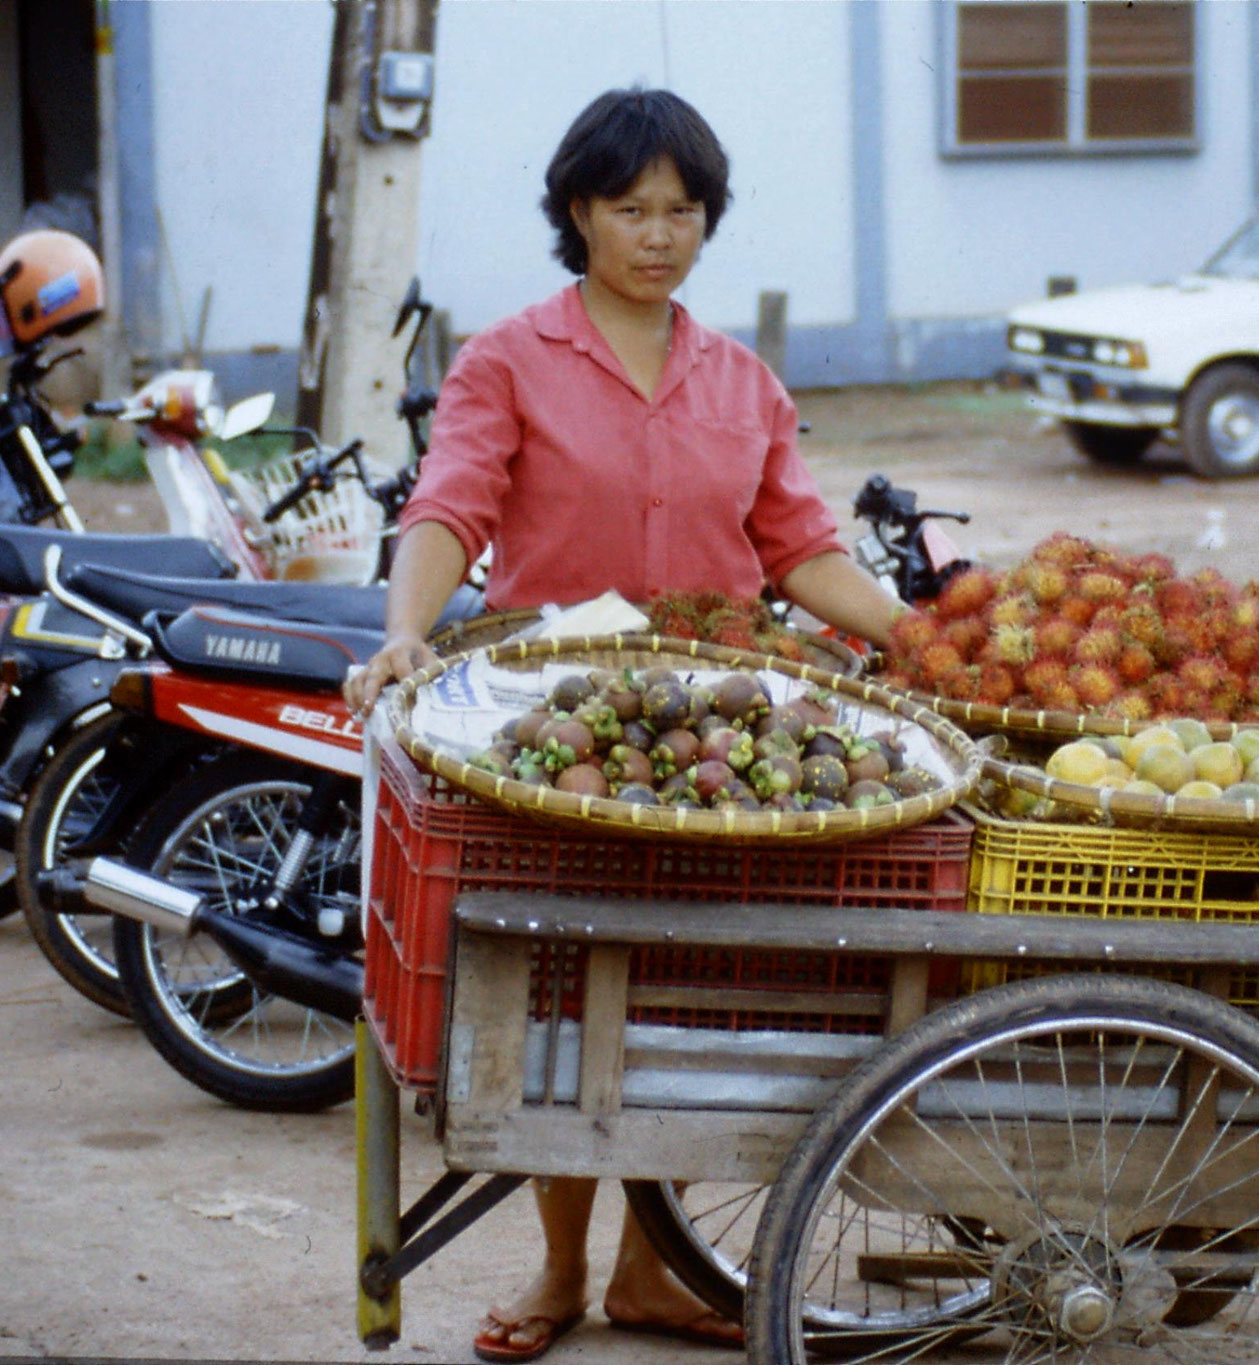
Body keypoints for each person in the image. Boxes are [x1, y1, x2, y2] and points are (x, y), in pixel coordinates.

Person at [343, 88, 906, 1362]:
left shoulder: (741, 381)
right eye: (628, 209)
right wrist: (405, 629)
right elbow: (450, 505)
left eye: (682, 210)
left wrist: (914, 638)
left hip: (716, 741)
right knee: (565, 1002)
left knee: (693, 998)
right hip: (565, 734)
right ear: (577, 214)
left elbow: (798, 549)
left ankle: (657, 1274)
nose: (658, 235)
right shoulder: (510, 359)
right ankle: (558, 1270)